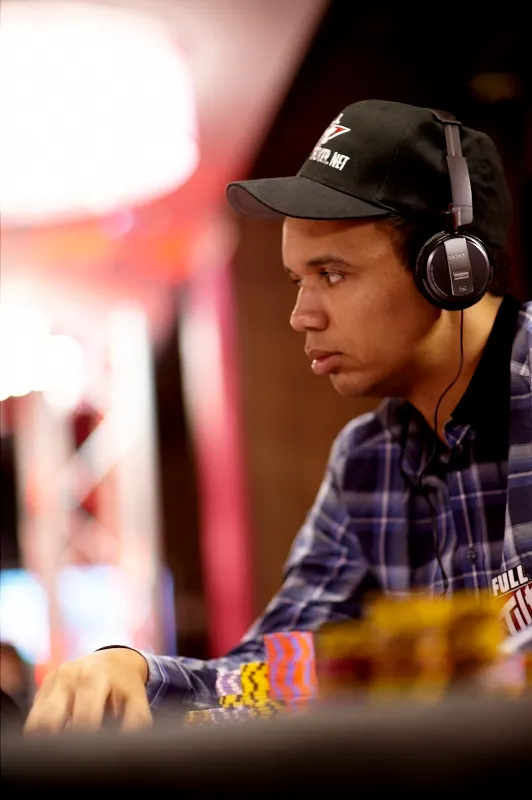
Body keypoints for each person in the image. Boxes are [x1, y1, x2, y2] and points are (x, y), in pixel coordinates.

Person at [25, 99, 531, 733]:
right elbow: (284, 676)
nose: (302, 316)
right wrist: (135, 674)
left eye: (332, 274)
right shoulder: (368, 461)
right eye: (297, 280)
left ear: (452, 269)